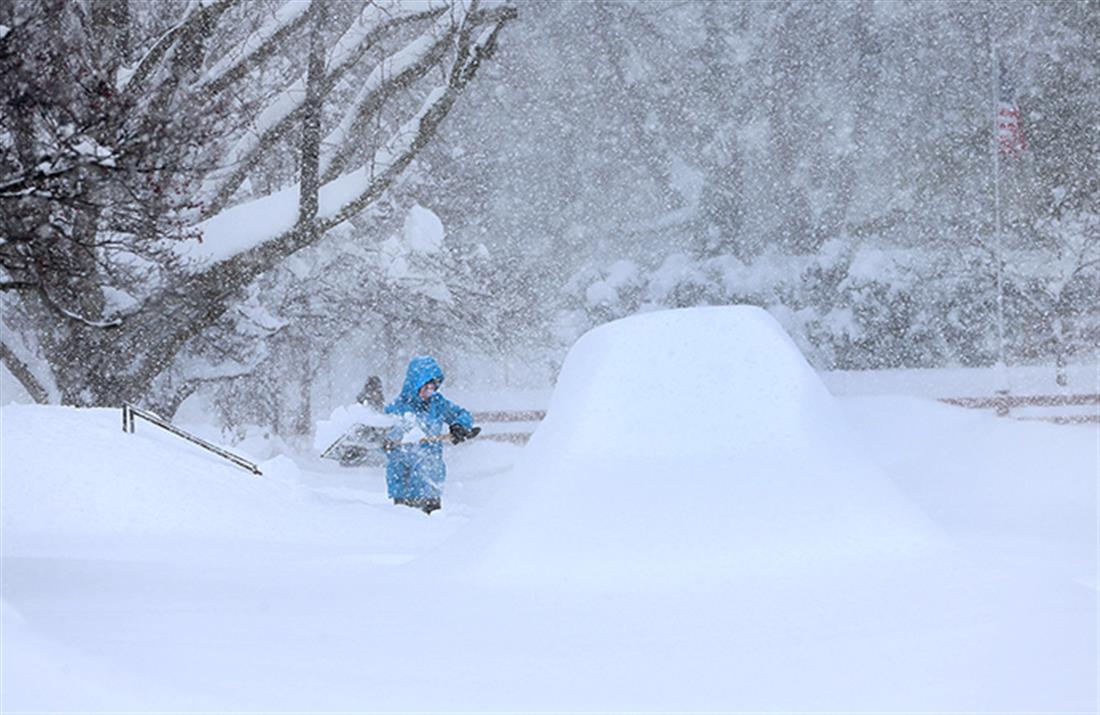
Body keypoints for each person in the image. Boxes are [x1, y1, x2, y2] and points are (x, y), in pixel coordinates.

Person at [383, 356, 476, 514]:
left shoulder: (438, 403)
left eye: (433, 388)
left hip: (430, 482)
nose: (430, 392)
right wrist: (387, 443)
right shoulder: (397, 408)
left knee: (432, 528)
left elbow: (462, 414)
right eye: (426, 388)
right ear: (415, 384)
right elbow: (383, 439)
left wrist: (460, 426)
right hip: (404, 484)